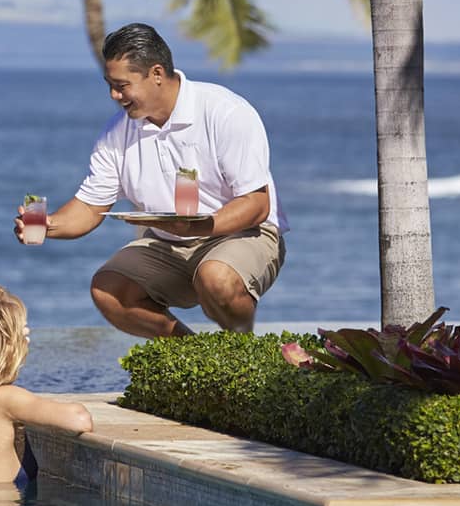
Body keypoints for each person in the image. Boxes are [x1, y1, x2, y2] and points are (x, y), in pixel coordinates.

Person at [15, 23, 287, 337]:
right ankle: (196, 362)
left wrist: (196, 227)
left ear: (156, 73)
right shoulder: (116, 133)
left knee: (216, 276)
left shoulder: (225, 112)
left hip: (243, 233)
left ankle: (245, 356)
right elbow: (90, 208)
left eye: (121, 85)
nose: (114, 96)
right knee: (108, 289)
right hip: (168, 242)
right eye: (109, 85)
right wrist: (48, 225)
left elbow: (257, 205)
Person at [0, 285, 92, 489]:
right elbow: (80, 420)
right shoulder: (5, 399)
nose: (27, 335)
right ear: (6, 345)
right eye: (22, 330)